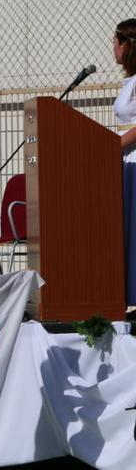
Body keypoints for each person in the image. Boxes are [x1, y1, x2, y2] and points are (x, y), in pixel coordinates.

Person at [114, 18, 136, 306]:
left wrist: (114, 144)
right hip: (127, 161)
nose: (113, 48)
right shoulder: (129, 81)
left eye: (115, 42)